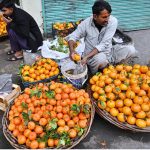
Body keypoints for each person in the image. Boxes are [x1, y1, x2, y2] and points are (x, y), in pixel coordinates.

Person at [67, 0, 137, 74]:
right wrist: (72, 51)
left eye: (108, 16)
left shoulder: (113, 21)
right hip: (92, 58)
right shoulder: (86, 23)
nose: (107, 19)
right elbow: (73, 36)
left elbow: (104, 44)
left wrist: (86, 57)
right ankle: (94, 75)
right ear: (95, 16)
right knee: (100, 59)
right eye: (104, 17)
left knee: (131, 50)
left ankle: (117, 68)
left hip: (109, 53)